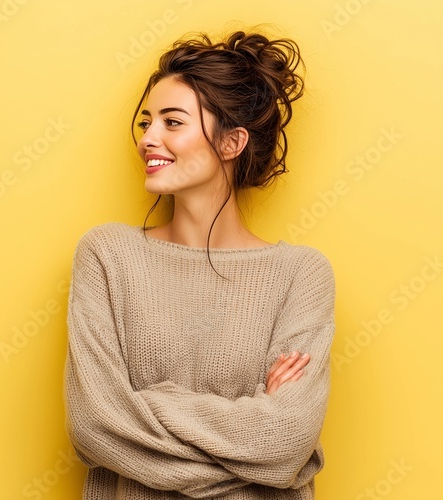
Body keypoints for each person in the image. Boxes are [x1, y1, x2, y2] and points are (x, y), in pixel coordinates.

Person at [62, 29, 337, 499]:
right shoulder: (107, 257)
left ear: (231, 143)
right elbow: (93, 423)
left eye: (172, 122)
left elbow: (287, 441)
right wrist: (258, 437)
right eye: (146, 122)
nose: (148, 138)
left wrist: (148, 405)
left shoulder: (301, 275)